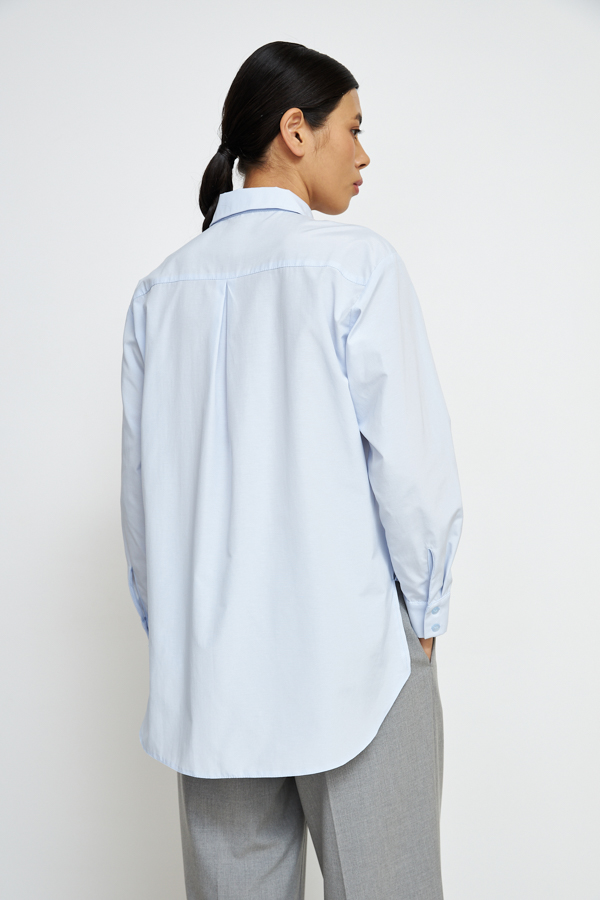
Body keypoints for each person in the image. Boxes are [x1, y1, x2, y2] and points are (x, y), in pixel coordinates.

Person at [120, 40, 463, 900]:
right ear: (296, 131)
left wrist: (180, 632)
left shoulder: (158, 293)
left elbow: (142, 506)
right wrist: (425, 613)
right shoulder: (356, 265)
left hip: (210, 676)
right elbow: (414, 474)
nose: (365, 153)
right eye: (354, 127)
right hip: (358, 664)